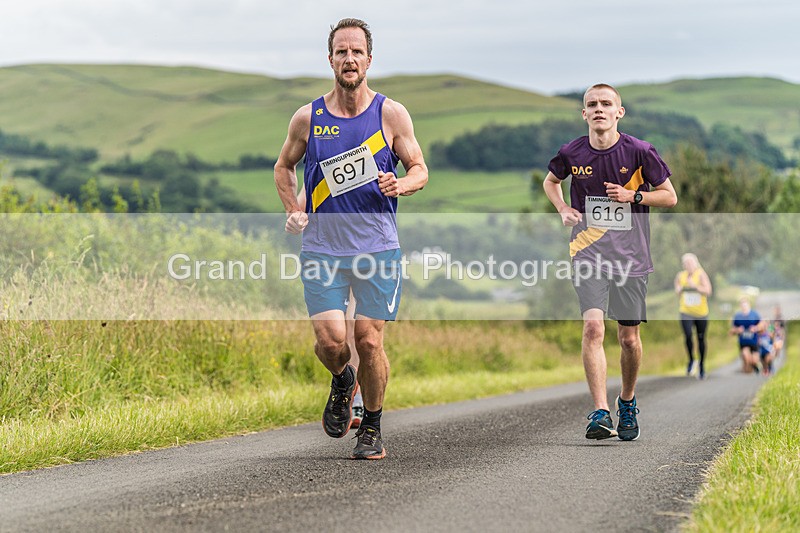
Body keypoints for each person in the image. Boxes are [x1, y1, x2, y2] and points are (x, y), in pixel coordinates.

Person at [274, 18, 428, 459]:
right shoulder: (308, 117)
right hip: (322, 247)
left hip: (377, 245)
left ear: (369, 60)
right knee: (329, 341)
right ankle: (344, 380)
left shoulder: (390, 114)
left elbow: (419, 167)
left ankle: (373, 426)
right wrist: (294, 210)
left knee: (369, 339)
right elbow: (283, 166)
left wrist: (404, 184)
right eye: (341, 51)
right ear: (330, 60)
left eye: (356, 52)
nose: (349, 59)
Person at [543, 83, 677, 441]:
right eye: (592, 104)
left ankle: (627, 402)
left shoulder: (640, 152)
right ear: (584, 114)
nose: (599, 109)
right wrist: (563, 209)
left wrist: (634, 195)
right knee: (593, 329)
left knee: (629, 338)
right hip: (587, 252)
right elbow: (551, 181)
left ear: (619, 112)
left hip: (631, 257)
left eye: (606, 103)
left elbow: (669, 196)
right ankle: (600, 411)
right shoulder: (571, 152)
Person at [290, 187, 365, 428]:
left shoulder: (374, 151)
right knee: (330, 339)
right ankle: (344, 379)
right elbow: (302, 202)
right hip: (325, 257)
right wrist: (295, 217)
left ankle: (357, 401)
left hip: (366, 252)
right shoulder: (321, 157)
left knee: (356, 330)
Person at [674, 253, 712, 379]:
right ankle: (691, 360)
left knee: (701, 338)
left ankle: (701, 365)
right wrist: (679, 289)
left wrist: (694, 286)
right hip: (686, 311)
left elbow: (708, 291)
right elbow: (677, 290)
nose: (688, 265)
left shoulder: (701, 274)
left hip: (701, 313)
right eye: (686, 263)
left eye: (690, 263)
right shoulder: (680, 276)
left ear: (695, 263)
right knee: (688, 335)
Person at [730, 297, 762, 374]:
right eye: (742, 305)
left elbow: (762, 326)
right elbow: (732, 331)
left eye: (745, 305)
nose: (744, 307)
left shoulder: (755, 314)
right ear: (740, 306)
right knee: (746, 357)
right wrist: (738, 330)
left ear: (749, 305)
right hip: (743, 343)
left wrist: (756, 328)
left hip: (754, 342)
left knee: (754, 361)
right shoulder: (738, 316)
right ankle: (747, 368)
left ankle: (755, 365)